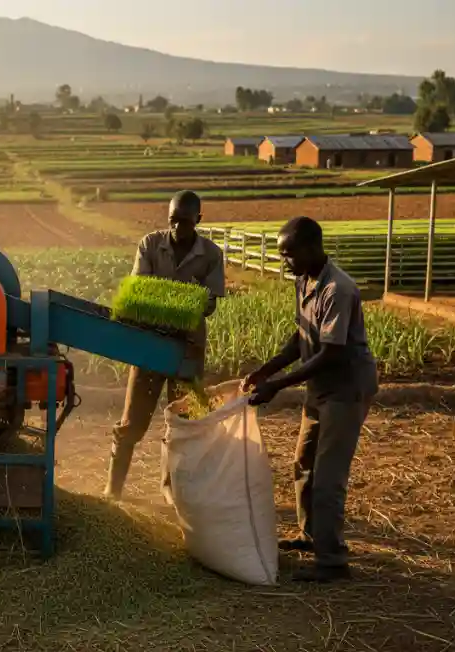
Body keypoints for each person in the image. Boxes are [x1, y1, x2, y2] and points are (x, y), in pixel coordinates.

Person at [241, 215, 379, 583]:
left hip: (345, 388)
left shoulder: (338, 289)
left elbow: (331, 353)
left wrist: (278, 386)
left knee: (328, 477)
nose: (285, 261)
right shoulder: (304, 279)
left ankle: (332, 562)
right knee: (303, 462)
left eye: (289, 254)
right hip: (320, 386)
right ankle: (310, 535)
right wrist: (266, 370)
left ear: (311, 248)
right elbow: (301, 335)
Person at [104, 190, 226, 500]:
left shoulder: (211, 254)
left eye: (185, 222)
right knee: (132, 422)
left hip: (188, 349)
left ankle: (175, 494)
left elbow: (209, 304)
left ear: (198, 219)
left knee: (185, 425)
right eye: (173, 221)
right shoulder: (149, 245)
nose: (178, 229)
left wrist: (172, 302)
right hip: (149, 345)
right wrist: (185, 299)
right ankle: (113, 489)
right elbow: (139, 292)